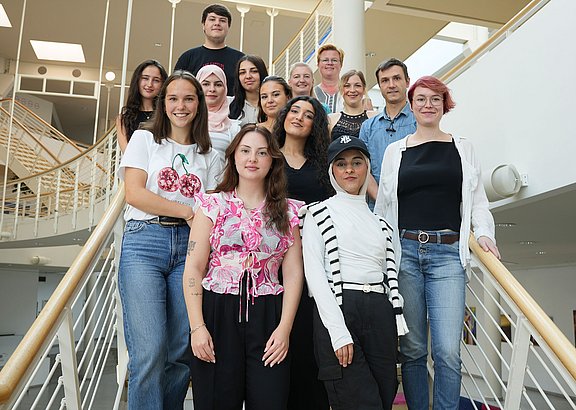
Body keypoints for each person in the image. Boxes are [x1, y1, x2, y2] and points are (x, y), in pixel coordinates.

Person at [374, 76, 500, 410]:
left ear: (445, 105)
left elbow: (479, 201)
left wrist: (484, 233)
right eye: (421, 99)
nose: (428, 105)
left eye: (435, 99)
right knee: (413, 349)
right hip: (406, 254)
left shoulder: (463, 147)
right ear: (411, 105)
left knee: (447, 350)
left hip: (448, 255)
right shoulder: (394, 152)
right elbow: (384, 208)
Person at [118, 70, 223, 409]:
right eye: (173, 98)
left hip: (189, 252)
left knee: (179, 351)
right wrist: (188, 212)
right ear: (163, 103)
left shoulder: (211, 155)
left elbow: (214, 206)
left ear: (199, 104)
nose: (181, 105)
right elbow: (134, 194)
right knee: (149, 350)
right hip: (144, 243)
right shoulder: (145, 140)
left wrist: (195, 220)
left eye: (189, 98)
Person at [183, 124, 304, 410]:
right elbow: (193, 269)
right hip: (217, 313)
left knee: (270, 401)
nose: (253, 159)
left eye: (262, 153)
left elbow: (293, 273)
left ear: (272, 160)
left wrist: (284, 328)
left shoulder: (288, 211)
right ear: (234, 156)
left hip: (268, 316)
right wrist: (197, 327)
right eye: (246, 151)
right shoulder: (211, 205)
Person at [302, 136, 408, 410]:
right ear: (332, 171)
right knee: (358, 401)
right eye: (341, 163)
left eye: (357, 162)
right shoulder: (317, 213)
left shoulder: (382, 223)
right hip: (339, 308)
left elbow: (390, 272)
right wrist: (338, 332)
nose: (349, 169)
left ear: (367, 168)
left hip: (379, 311)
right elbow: (315, 277)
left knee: (384, 396)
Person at [273, 96, 332, 410]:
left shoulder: (322, 166)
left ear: (315, 126)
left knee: (309, 342)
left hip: (312, 261)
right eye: (294, 110)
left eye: (308, 115)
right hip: (271, 263)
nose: (298, 117)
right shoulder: (267, 158)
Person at [359, 58, 416, 202]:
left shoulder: (420, 121)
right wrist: (382, 202)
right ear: (379, 85)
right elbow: (363, 167)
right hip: (377, 209)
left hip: (414, 205)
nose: (391, 85)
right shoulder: (368, 127)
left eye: (396, 78)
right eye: (385, 80)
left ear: (407, 82)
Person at [174, 4, 244, 95]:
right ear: (203, 24)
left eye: (222, 20)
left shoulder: (240, 60)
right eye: (212, 19)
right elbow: (175, 89)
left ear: (228, 26)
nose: (217, 23)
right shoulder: (187, 58)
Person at [116, 59, 167, 153]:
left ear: (163, 84)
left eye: (156, 80)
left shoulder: (167, 115)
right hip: (134, 166)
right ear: (137, 80)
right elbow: (127, 154)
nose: (149, 84)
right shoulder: (123, 119)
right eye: (145, 78)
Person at [197, 64, 240, 162]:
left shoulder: (234, 129)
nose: (212, 89)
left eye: (218, 84)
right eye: (206, 84)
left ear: (225, 89)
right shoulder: (187, 122)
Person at [329, 70, 378, 141]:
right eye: (347, 86)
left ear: (364, 89)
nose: (352, 90)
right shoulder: (331, 119)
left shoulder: (375, 118)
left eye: (357, 85)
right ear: (341, 90)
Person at [229, 55, 269, 126]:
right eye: (242, 72)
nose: (248, 76)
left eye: (254, 71)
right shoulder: (228, 104)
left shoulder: (272, 103)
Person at [313, 44, 344, 114]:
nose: (330, 63)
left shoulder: (351, 92)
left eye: (334, 60)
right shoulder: (312, 93)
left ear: (341, 64)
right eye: (325, 60)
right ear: (318, 64)